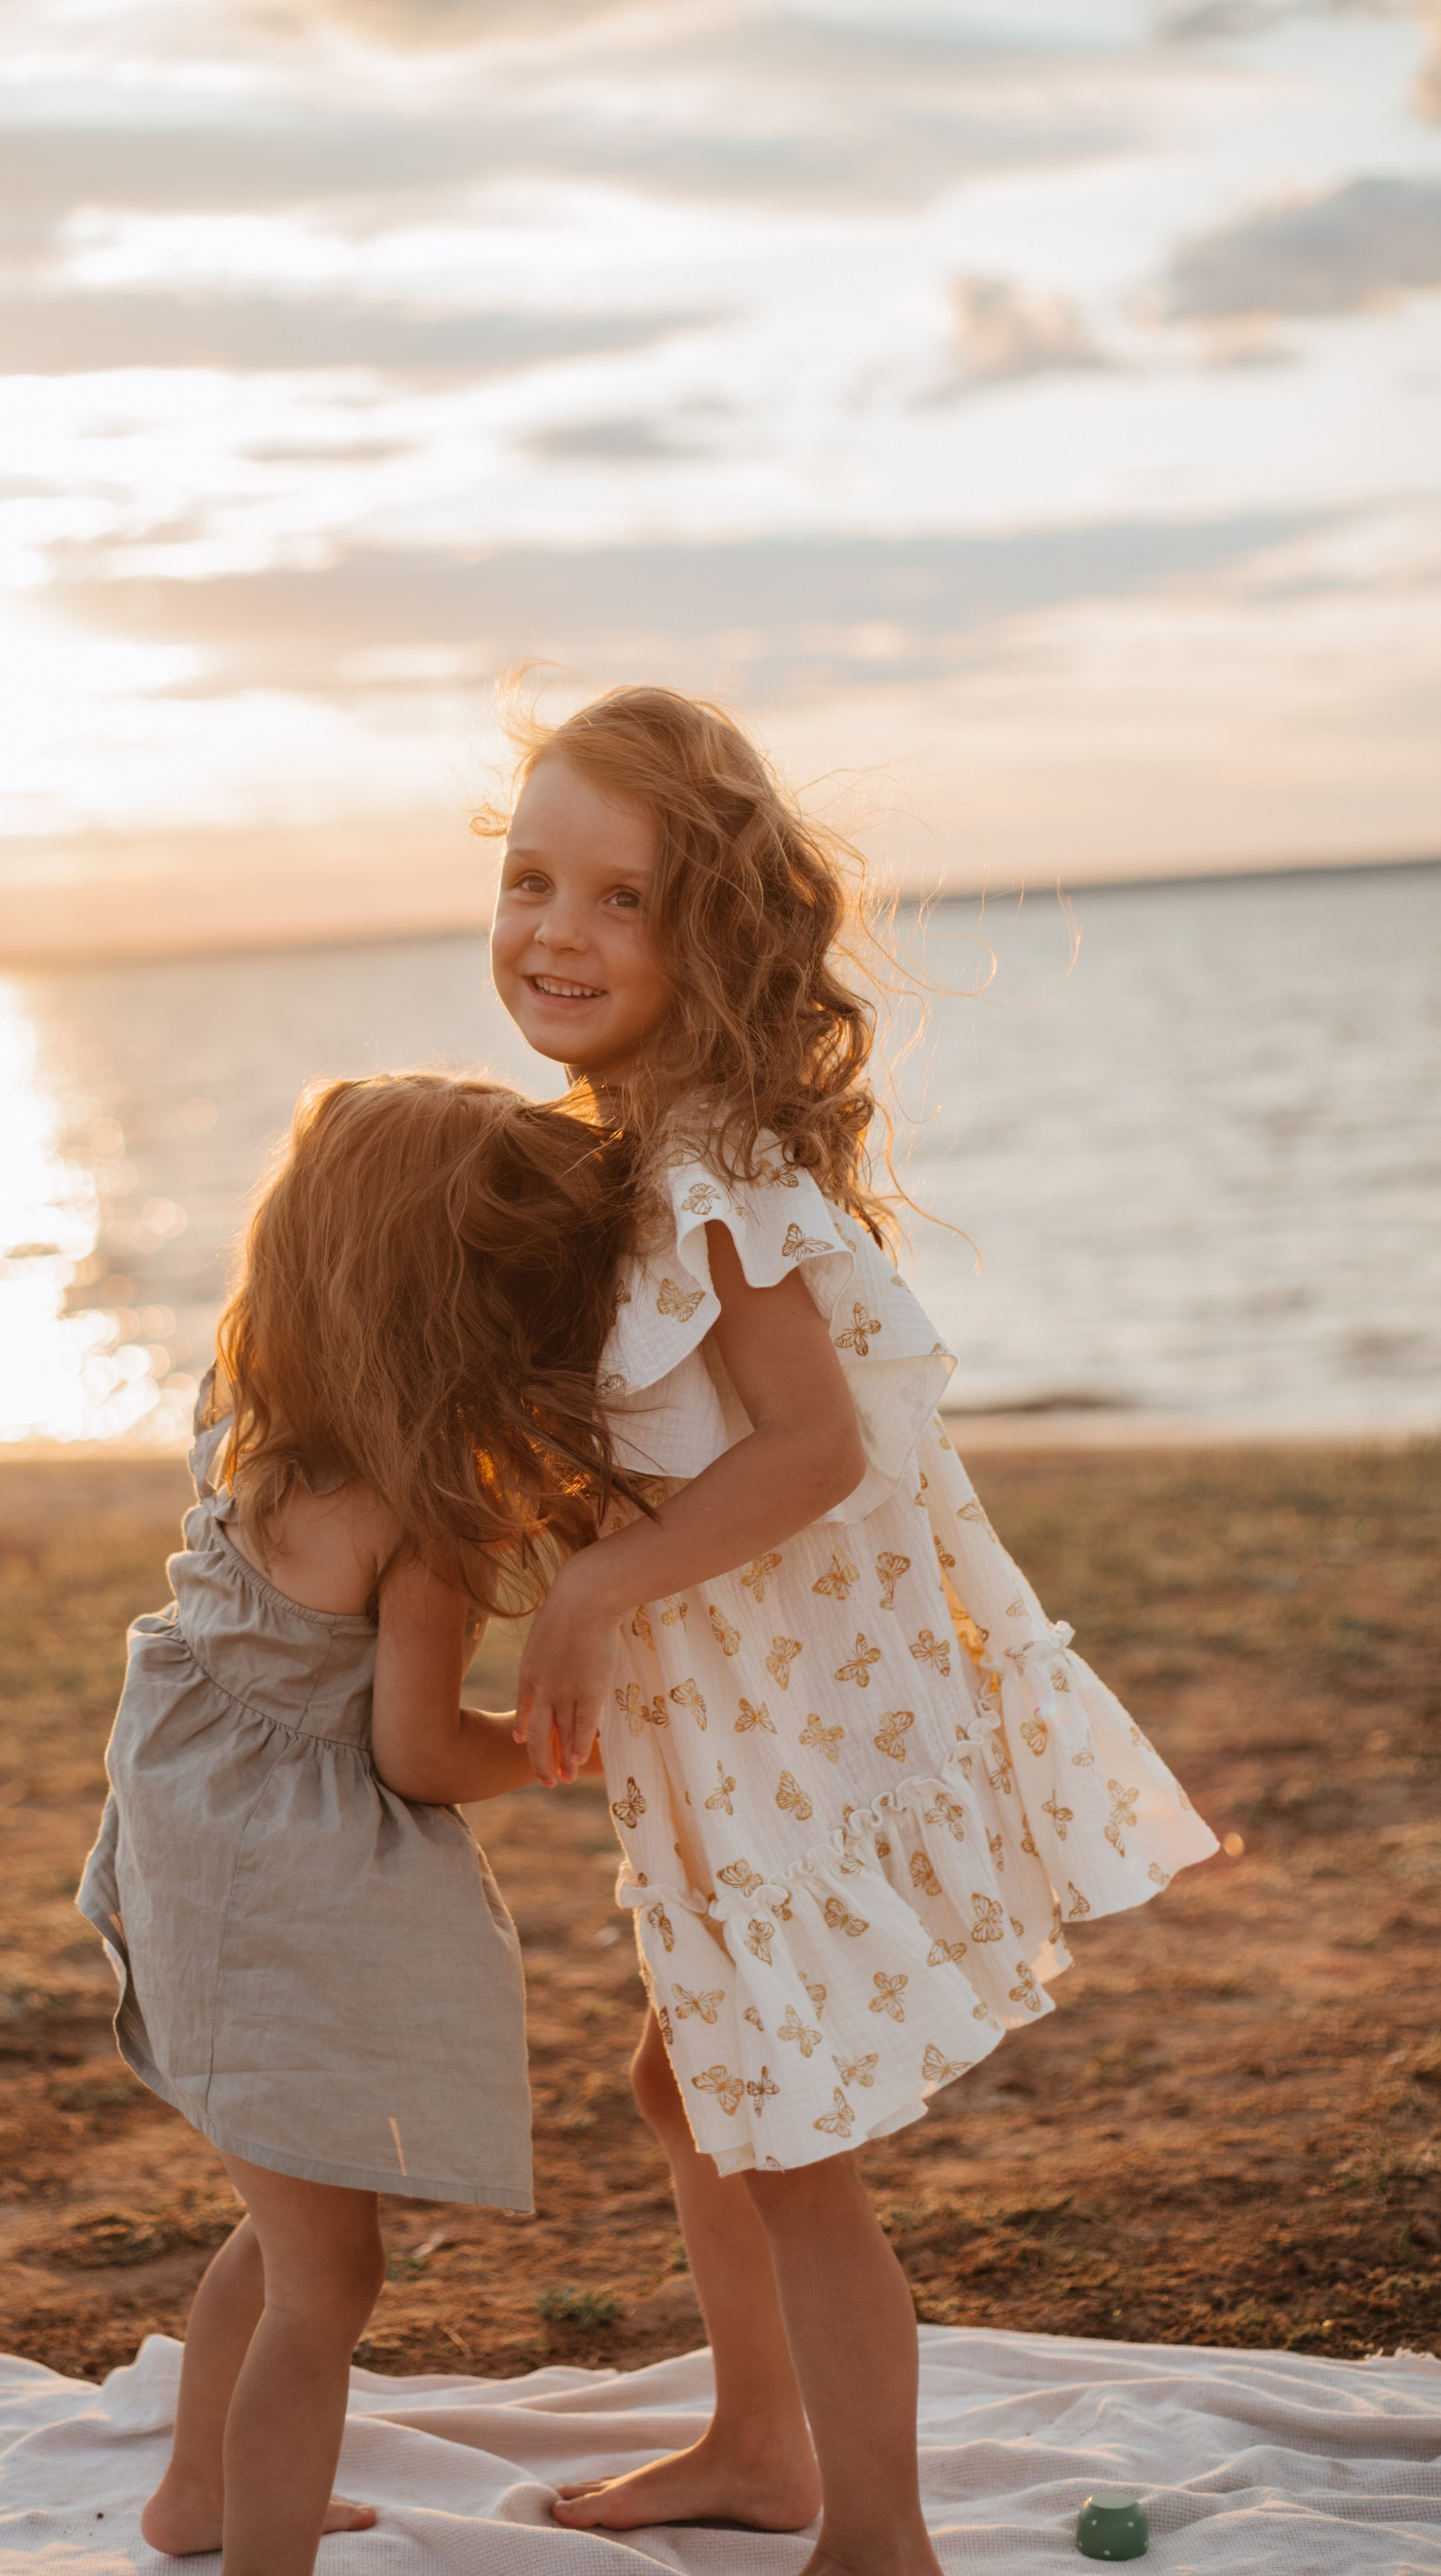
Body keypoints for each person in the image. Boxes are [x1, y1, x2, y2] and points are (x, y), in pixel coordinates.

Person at [486, 686, 1218, 2576]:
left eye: (618, 899)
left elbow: (813, 1449)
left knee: (784, 2130)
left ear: (709, 930)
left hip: (797, 1722)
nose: (556, 932)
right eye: (529, 880)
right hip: (746, 1705)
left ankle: (871, 2532)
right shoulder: (656, 1145)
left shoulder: (712, 1170)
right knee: (690, 2077)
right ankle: (757, 2440)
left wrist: (594, 1584)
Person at [76, 1072, 636, 2576]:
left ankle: (198, 2497)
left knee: (282, 2213)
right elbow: (413, 1758)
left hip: (189, 1856)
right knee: (330, 2278)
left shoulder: (245, 1420)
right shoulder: (421, 1518)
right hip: (278, 1893)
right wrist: (550, 1744)